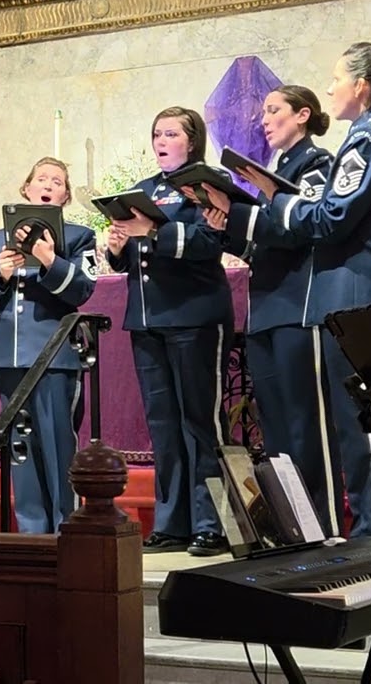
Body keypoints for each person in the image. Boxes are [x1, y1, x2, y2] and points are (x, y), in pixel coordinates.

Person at [201, 42, 371, 542]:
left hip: (357, 296)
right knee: (362, 431)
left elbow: (331, 215)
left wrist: (247, 213)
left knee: (369, 433)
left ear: (361, 86)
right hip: (355, 293)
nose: (330, 88)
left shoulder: (370, 136)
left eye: (336, 78)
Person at [199, 85, 342, 538]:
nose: (265, 119)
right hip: (266, 308)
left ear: (303, 115)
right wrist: (226, 224)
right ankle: (292, 525)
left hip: (300, 307)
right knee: (275, 428)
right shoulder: (276, 172)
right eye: (263, 111)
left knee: (307, 427)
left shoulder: (317, 165)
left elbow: (303, 228)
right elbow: (262, 246)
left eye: (274, 110)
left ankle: (323, 524)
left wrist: (248, 211)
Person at [106, 106, 233, 557]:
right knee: (162, 425)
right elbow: (129, 261)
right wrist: (118, 244)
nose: (161, 140)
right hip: (147, 318)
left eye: (171, 134)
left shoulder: (207, 184)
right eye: (157, 133)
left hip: (195, 315)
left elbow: (209, 243)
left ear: (191, 141)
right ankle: (172, 521)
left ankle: (212, 522)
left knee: (200, 422)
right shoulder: (142, 190)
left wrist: (153, 232)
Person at [0, 157, 97, 533]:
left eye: (56, 181)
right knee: (20, 446)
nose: (47, 185)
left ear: (65, 196)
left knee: (58, 444)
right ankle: (31, 528)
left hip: (55, 355)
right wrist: (0, 274)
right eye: (41, 178)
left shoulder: (77, 237)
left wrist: (48, 258)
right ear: (25, 189)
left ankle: (67, 526)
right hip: (9, 355)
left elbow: (82, 290)